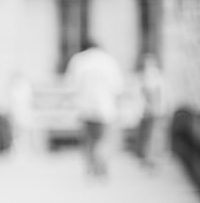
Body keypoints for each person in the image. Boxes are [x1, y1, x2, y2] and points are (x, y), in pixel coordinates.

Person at [65, 38, 124, 179]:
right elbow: (117, 87)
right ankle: (101, 165)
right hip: (105, 107)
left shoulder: (79, 60)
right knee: (102, 138)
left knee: (89, 139)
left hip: (84, 106)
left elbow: (70, 85)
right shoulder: (108, 61)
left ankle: (91, 166)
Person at [133, 53, 166, 169]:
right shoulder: (154, 75)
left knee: (152, 135)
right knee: (151, 135)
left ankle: (151, 158)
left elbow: (152, 94)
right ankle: (150, 157)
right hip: (152, 110)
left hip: (153, 111)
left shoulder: (151, 75)